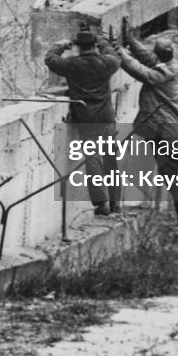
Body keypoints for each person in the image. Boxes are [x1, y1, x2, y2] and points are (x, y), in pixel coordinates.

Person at [115, 21, 178, 238]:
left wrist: (118, 52)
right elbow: (147, 59)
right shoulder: (169, 65)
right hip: (171, 130)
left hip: (165, 132)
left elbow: (141, 71)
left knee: (173, 178)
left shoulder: (163, 74)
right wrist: (131, 41)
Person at [45, 29, 123, 217]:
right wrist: (104, 42)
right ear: (94, 45)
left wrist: (61, 45)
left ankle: (101, 204)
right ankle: (115, 203)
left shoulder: (73, 64)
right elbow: (115, 56)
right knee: (111, 159)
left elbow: (50, 59)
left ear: (79, 48)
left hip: (86, 118)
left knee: (93, 159)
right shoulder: (106, 63)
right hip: (106, 117)